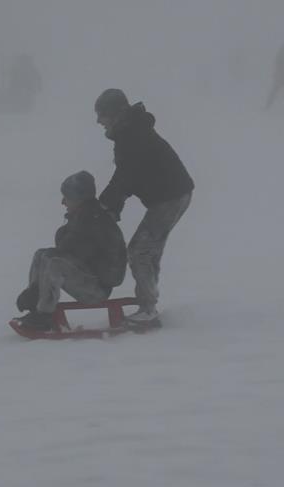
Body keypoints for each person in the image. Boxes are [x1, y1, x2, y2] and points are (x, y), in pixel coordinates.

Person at [94, 89, 194, 324]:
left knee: (140, 251)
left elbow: (126, 176)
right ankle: (149, 302)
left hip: (170, 198)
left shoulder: (133, 136)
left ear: (117, 114)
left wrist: (106, 206)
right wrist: (109, 205)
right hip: (170, 195)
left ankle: (148, 308)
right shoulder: (129, 133)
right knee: (148, 250)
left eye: (102, 115)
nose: (99, 121)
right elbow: (126, 176)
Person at [14, 171, 127, 332]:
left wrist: (35, 289)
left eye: (66, 197)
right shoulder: (83, 217)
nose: (62, 202)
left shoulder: (93, 221)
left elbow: (67, 253)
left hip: (97, 290)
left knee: (54, 262)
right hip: (90, 279)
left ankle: (43, 316)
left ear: (78, 198)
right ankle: (38, 305)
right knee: (42, 254)